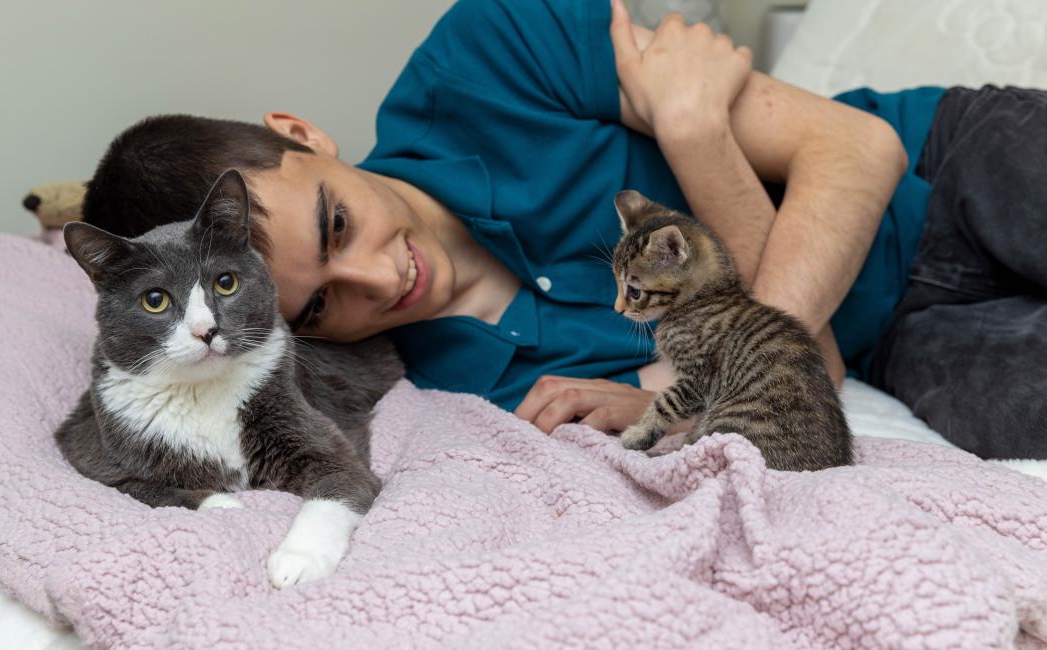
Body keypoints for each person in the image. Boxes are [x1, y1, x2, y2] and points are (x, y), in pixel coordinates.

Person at [82, 0, 1046, 460]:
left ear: (303, 135)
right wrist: (693, 136)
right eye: (323, 306)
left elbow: (857, 150)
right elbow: (813, 377)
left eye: (337, 224)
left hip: (942, 162)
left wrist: (698, 131)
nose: (382, 281)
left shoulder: (490, 50)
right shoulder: (471, 389)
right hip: (899, 341)